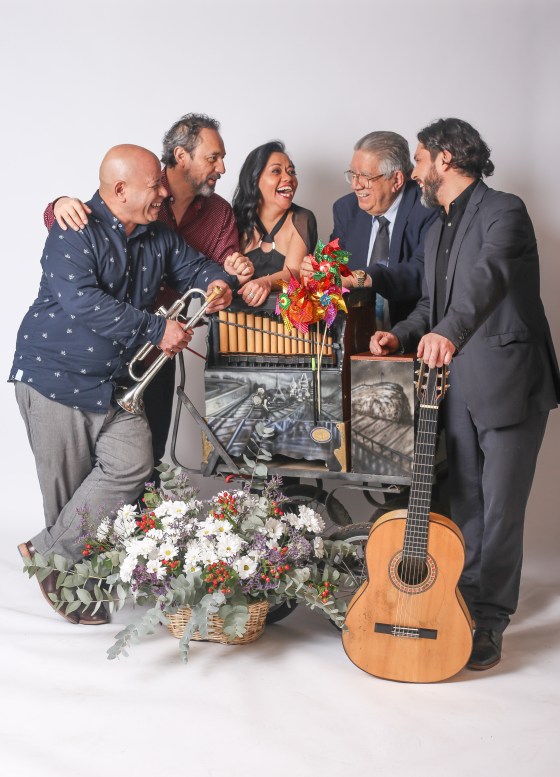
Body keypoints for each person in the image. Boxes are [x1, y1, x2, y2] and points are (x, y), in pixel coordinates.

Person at [11, 144, 233, 625]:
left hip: (110, 382)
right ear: (120, 190)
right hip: (54, 377)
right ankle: (71, 588)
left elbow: (197, 268)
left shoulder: (158, 234)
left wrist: (218, 283)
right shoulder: (73, 230)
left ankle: (47, 553)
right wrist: (157, 329)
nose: (163, 194)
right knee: (70, 492)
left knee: (133, 464)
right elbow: (83, 302)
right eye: (154, 186)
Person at [370, 118, 560, 670]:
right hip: (454, 389)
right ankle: (464, 601)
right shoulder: (436, 228)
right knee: (466, 505)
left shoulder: (505, 211)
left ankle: (490, 620)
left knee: (501, 510)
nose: (415, 173)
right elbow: (434, 305)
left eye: (420, 160)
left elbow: (488, 279)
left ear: (445, 159)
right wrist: (401, 334)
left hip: (509, 382)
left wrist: (447, 334)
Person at [44, 114, 253, 482]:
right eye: (213, 157)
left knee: (146, 459)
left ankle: (141, 520)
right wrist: (57, 204)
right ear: (181, 156)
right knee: (87, 468)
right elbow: (85, 226)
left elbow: (213, 268)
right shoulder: (140, 185)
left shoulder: (218, 212)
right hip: (105, 347)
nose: (222, 168)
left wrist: (225, 279)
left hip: (158, 349)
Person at [302, 131, 437, 328]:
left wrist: (360, 278)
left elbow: (421, 273)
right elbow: (333, 263)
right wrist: (317, 268)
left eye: (365, 176)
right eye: (353, 175)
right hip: (354, 330)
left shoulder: (428, 208)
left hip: (411, 331)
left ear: (397, 180)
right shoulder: (346, 209)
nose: (355, 185)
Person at [232, 141, 317, 307]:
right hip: (236, 316)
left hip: (282, 316)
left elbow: (295, 272)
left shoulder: (302, 219)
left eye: (291, 172)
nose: (289, 178)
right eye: (276, 171)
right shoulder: (235, 218)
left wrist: (266, 282)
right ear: (254, 179)